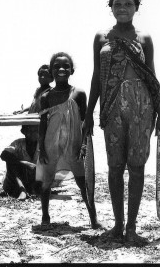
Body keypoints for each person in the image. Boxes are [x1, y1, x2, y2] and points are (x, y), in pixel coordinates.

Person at [83, 0, 160, 245]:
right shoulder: (101, 38)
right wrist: (88, 114)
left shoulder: (144, 38)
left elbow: (152, 78)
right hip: (111, 106)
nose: (122, 8)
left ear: (136, 7)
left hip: (142, 107)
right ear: (111, 6)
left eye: (128, 4)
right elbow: (97, 77)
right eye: (117, 4)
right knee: (115, 167)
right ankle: (117, 226)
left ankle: (131, 228)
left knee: (137, 166)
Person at [36, 52, 103, 229]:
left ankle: (93, 218)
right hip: (51, 145)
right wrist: (41, 148)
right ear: (51, 71)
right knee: (47, 181)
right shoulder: (45, 97)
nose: (61, 69)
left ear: (72, 70)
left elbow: (86, 123)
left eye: (66, 66)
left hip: (74, 145)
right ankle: (45, 218)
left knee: (83, 182)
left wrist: (84, 145)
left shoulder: (79, 94)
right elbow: (43, 124)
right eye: (56, 66)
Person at [0, 125, 41, 200]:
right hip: (15, 183)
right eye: (29, 131)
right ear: (24, 132)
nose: (32, 134)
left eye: (35, 131)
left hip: (35, 181)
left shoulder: (42, 145)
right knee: (10, 162)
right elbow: (4, 155)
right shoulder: (18, 143)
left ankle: (31, 190)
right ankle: (22, 190)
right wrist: (24, 163)